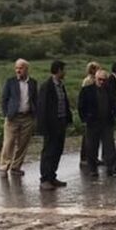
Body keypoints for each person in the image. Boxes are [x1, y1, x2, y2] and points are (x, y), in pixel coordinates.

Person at [0, 58, 37, 178]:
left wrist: (35, 114)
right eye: (16, 68)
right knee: (8, 142)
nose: (18, 70)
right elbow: (4, 99)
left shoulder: (33, 83)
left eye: (20, 68)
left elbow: (35, 99)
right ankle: (4, 167)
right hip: (12, 117)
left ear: (26, 69)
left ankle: (16, 167)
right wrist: (6, 114)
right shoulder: (10, 82)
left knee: (23, 144)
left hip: (27, 117)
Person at [36, 60, 72, 190]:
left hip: (61, 122)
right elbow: (42, 108)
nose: (65, 72)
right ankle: (44, 179)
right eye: (63, 70)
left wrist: (68, 119)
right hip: (51, 125)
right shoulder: (47, 86)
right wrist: (44, 127)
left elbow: (64, 103)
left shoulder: (60, 85)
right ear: (58, 70)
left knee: (58, 150)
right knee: (49, 151)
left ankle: (52, 176)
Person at [79, 69, 116, 177]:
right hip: (93, 122)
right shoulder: (87, 90)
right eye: (100, 79)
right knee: (92, 146)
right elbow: (81, 106)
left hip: (107, 122)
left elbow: (115, 102)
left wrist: (115, 113)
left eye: (104, 80)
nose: (102, 82)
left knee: (109, 146)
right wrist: (85, 119)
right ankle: (93, 169)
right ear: (95, 79)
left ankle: (111, 168)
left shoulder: (109, 90)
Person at [80, 61, 101, 167]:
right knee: (87, 139)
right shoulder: (88, 81)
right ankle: (85, 158)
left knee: (95, 138)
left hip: (96, 114)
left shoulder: (96, 80)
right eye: (96, 68)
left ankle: (94, 157)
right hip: (89, 113)